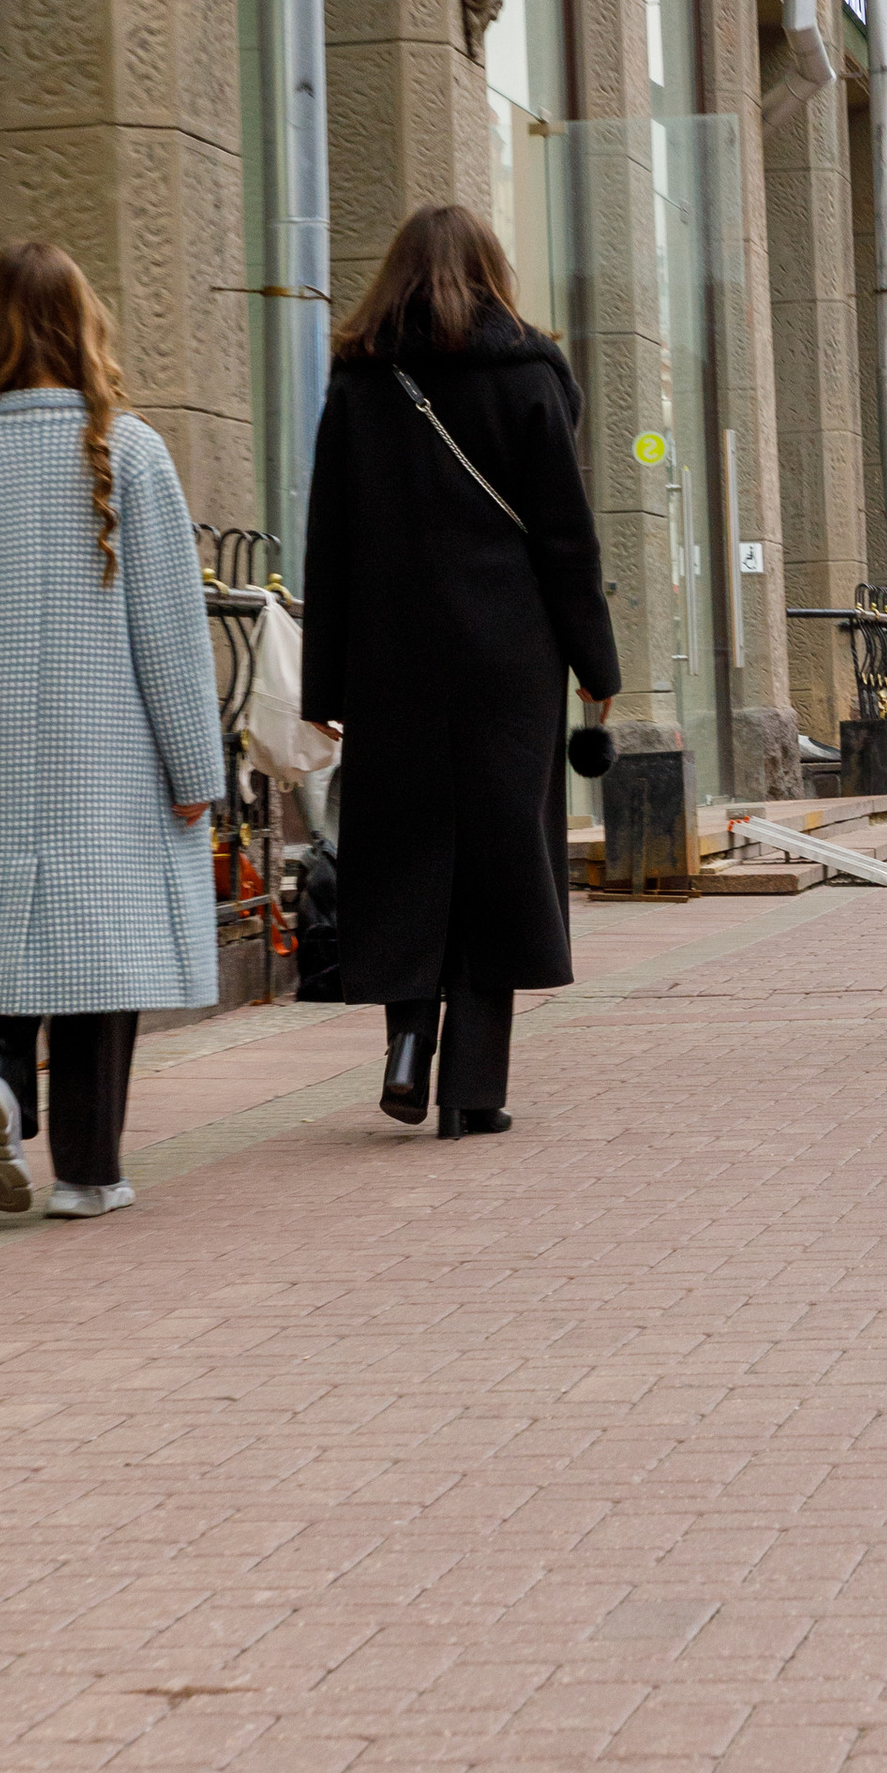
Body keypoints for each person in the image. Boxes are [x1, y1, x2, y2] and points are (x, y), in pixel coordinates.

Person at [0, 242, 226, 1220]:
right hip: (113, 760)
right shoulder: (129, 452)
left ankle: (2, 1083)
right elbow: (169, 632)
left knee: (13, 936)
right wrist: (194, 767)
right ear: (87, 327)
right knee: (102, 953)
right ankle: (87, 1176)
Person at [301, 205, 618, 1141]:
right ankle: (473, 1090)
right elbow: (565, 538)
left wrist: (324, 685)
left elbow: (330, 542)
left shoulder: (359, 378)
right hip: (508, 655)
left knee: (403, 848)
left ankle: (407, 1045)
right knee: (498, 856)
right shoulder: (529, 374)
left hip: (391, 656)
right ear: (491, 271)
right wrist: (595, 663)